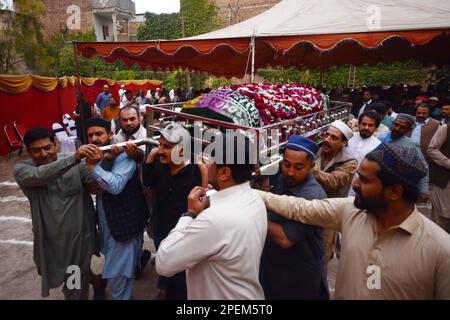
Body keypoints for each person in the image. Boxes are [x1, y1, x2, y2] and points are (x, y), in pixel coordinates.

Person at [256, 142, 450, 299]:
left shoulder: (440, 251)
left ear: (394, 192)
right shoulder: (351, 211)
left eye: (364, 180)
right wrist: (247, 194)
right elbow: (298, 207)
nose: (355, 184)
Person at [156, 133, 268, 299]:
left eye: (209, 159)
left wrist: (190, 214)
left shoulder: (214, 220)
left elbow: (163, 263)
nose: (204, 162)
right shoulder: (255, 199)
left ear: (224, 173)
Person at [13, 128, 98, 299]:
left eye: (48, 147)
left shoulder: (74, 163)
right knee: (69, 272)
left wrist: (100, 160)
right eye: (36, 150)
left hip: (79, 239)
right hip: (50, 241)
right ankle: (99, 283)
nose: (44, 154)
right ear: (28, 151)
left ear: (56, 144)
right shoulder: (22, 170)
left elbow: (94, 181)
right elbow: (40, 175)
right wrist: (74, 158)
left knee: (74, 282)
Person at [85, 117, 149, 300]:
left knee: (119, 275)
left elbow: (115, 185)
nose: (95, 139)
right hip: (107, 221)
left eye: (99, 134)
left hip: (124, 224)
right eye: (91, 135)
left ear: (110, 135)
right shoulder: (98, 154)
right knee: (119, 264)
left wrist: (93, 167)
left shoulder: (124, 154)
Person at [259, 135, 329, 300]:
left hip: (298, 276)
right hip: (274, 268)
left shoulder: (313, 196)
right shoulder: (284, 179)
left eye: (298, 167)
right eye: (286, 164)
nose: (290, 172)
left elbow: (285, 238)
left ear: (312, 166)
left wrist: (253, 214)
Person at [143, 123, 207, 300]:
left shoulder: (195, 170)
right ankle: (164, 288)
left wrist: (204, 173)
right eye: (160, 144)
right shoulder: (159, 164)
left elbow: (204, 199)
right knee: (165, 263)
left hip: (185, 233)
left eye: (167, 147)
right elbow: (147, 182)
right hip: (161, 226)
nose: (160, 150)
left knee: (181, 276)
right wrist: (150, 156)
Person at [313, 120, 357, 262]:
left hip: (329, 214)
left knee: (322, 254)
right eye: (327, 135)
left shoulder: (349, 162)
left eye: (334, 138)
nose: (327, 139)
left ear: (343, 143)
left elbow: (334, 181)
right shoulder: (317, 151)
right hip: (309, 206)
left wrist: (310, 169)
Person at [378, 113, 429, 202]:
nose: (397, 129)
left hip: (396, 188)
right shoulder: (380, 138)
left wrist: (423, 190)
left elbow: (423, 168)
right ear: (392, 124)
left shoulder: (411, 146)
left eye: (402, 127)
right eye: (396, 125)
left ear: (408, 130)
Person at [346, 112, 381, 196]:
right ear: (358, 124)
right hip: (340, 180)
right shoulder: (348, 137)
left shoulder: (379, 146)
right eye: (364, 124)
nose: (366, 127)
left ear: (376, 127)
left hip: (359, 186)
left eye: (370, 125)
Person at [428, 124, 450, 233]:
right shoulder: (446, 129)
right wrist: (448, 163)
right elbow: (432, 149)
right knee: (442, 217)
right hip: (444, 180)